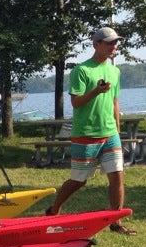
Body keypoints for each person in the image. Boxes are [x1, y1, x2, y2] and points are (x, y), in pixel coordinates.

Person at [45, 26, 135, 234]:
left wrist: (117, 129)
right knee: (78, 181)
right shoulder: (81, 71)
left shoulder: (115, 70)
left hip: (110, 134)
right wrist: (95, 91)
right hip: (86, 134)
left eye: (116, 42)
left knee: (117, 176)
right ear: (96, 44)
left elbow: (114, 101)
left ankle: (116, 221)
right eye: (110, 42)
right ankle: (54, 209)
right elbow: (76, 103)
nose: (115, 46)